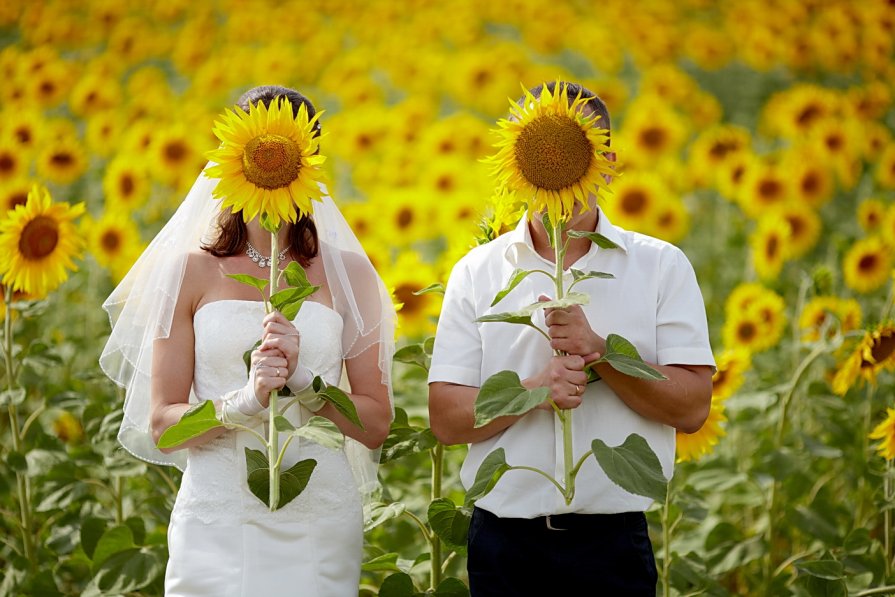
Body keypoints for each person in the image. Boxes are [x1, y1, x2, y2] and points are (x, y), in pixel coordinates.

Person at [100, 85, 395, 596]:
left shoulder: (350, 275)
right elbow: (164, 427)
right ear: (232, 161)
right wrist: (245, 401)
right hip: (217, 520)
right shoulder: (189, 272)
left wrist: (305, 382)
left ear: (311, 164)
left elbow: (375, 425)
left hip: (318, 521)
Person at [428, 81, 715, 596]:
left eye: (571, 149)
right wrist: (535, 390)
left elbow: (692, 407)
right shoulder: (477, 271)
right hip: (503, 541)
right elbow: (447, 418)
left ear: (606, 160)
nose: (556, 161)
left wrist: (600, 353)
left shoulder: (659, 266)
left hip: (610, 545)